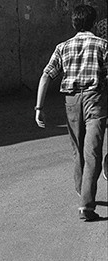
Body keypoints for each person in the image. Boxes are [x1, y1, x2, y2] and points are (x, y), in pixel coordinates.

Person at [35, 4, 107, 221]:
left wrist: (39, 108)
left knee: (78, 150)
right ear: (94, 23)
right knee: (92, 150)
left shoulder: (63, 47)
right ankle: (86, 204)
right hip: (95, 100)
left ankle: (82, 192)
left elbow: (46, 76)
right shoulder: (103, 45)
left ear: (74, 23)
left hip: (71, 102)